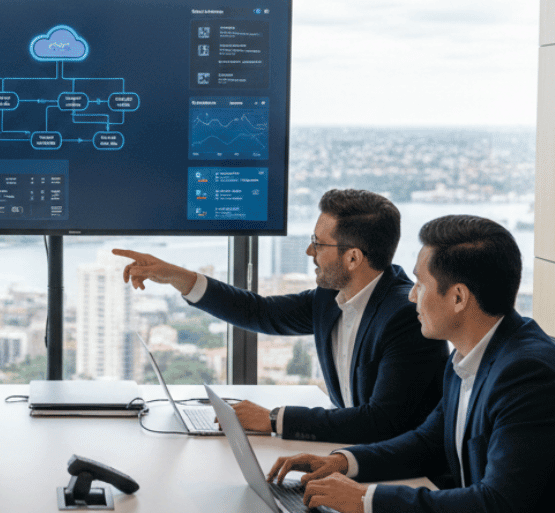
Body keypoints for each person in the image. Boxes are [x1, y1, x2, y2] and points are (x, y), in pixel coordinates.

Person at [270, 215, 555, 513]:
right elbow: (427, 442)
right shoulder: (470, 354)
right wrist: (343, 463)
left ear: (458, 297)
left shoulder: (528, 375)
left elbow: (496, 506)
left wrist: (366, 500)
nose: (411, 294)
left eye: (421, 284)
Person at [113, 188, 448, 444]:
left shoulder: (405, 316)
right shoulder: (330, 297)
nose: (309, 252)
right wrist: (177, 277)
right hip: (354, 454)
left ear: (353, 258)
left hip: (404, 475)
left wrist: (274, 419)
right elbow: (260, 312)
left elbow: (382, 422)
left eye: (318, 244)